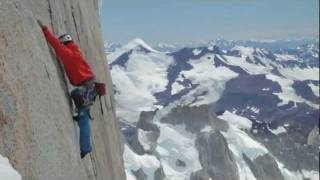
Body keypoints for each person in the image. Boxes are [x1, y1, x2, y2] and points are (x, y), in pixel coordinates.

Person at [37, 19, 106, 159]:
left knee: (83, 114)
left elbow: (55, 44)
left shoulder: (67, 53)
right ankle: (80, 117)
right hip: (90, 86)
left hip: (86, 87)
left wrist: (44, 28)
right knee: (81, 106)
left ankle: (86, 147)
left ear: (64, 43)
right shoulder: (75, 50)